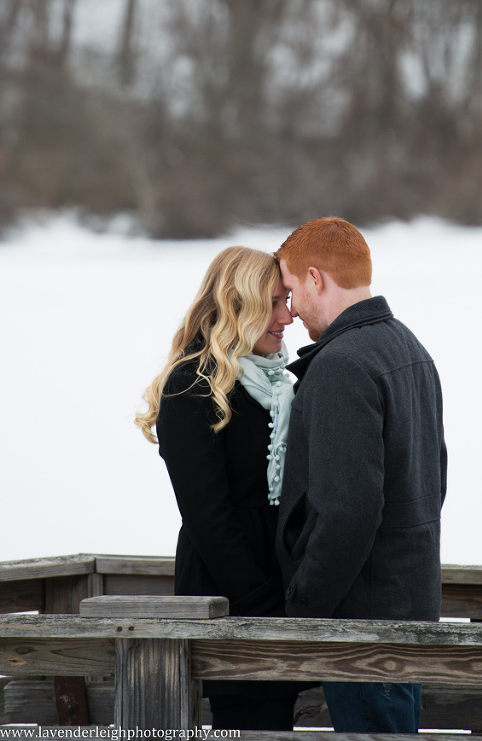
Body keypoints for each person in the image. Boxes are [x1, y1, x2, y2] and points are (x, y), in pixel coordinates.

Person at [275, 217, 447, 734]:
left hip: (363, 633)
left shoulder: (342, 365)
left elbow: (346, 511)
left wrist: (301, 611)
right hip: (407, 617)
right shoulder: (408, 347)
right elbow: (435, 480)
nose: (289, 309)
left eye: (289, 290)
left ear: (314, 278)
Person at [135, 245, 302, 731]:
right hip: (229, 598)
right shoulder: (191, 387)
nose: (286, 317)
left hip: (282, 600)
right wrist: (262, 607)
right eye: (272, 303)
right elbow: (208, 517)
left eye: (286, 300)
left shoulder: (282, 386)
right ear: (237, 306)